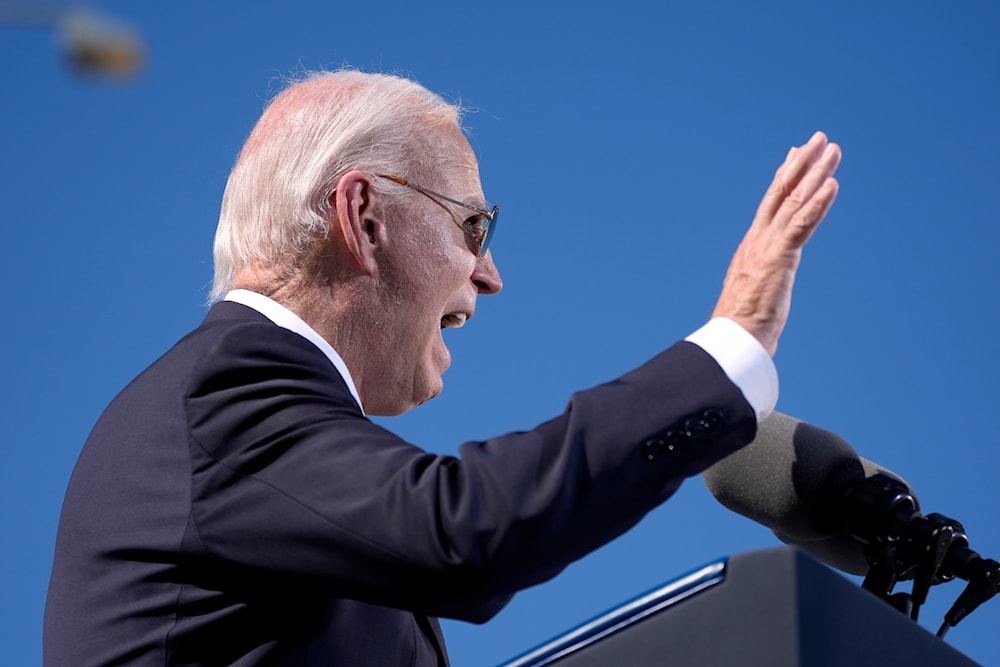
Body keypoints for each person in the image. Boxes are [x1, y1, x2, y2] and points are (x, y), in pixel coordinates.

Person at [43, 69, 841, 666]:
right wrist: (732, 343)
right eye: (473, 227)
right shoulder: (224, 392)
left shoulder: (255, 429)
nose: (489, 276)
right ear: (363, 218)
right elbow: (463, 530)